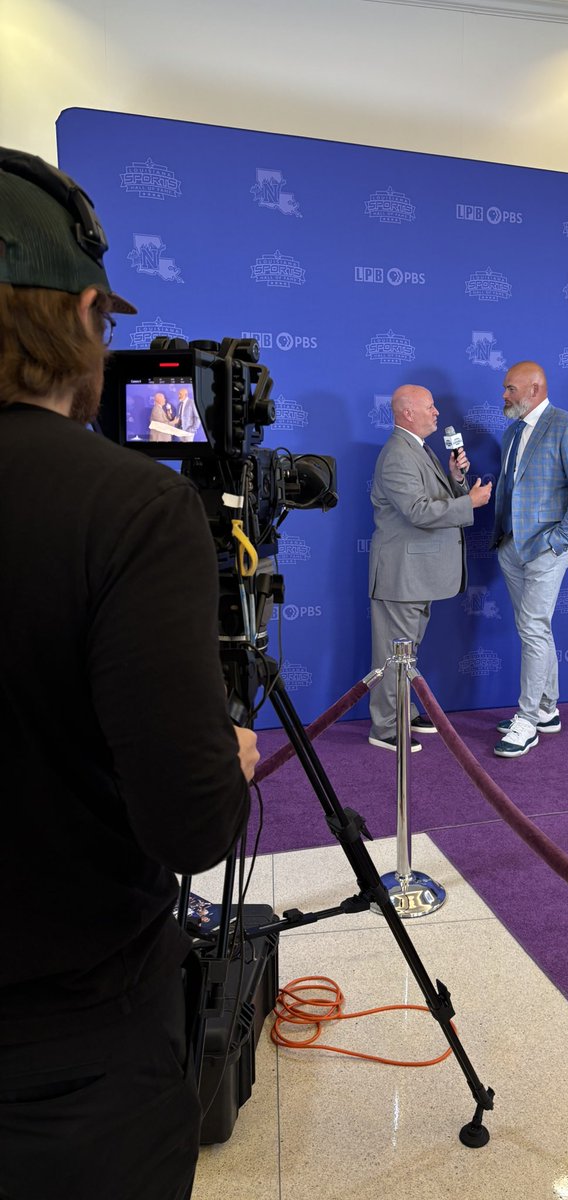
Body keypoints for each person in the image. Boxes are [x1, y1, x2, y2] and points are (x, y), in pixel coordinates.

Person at [0, 149, 259, 1200]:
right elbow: (190, 826)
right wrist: (226, 761)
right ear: (85, 313)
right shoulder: (129, 508)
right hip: (68, 1055)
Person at [368, 384, 492, 751]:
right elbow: (419, 512)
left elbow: (431, 500)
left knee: (406, 650)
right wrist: (469, 501)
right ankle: (385, 727)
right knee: (393, 652)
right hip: (400, 574)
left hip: (417, 575)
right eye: (430, 407)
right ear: (408, 413)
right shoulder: (397, 454)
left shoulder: (417, 449)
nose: (437, 413)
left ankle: (401, 712)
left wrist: (455, 479)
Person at [491, 360, 568, 758]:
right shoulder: (511, 432)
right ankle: (547, 709)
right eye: (505, 389)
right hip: (510, 547)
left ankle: (527, 721)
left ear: (535, 389)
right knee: (534, 628)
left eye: (510, 389)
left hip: (546, 549)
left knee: (534, 628)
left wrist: (560, 541)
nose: (503, 396)